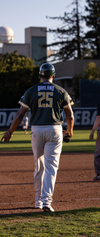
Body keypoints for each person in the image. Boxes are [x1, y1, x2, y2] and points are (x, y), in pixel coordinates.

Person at [1, 63, 74, 212]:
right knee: (51, 167)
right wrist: (70, 130)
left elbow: (20, 114)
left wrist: (10, 132)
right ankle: (47, 202)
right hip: (54, 130)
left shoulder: (31, 91)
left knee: (38, 166)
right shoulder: (61, 91)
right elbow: (70, 114)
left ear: (40, 75)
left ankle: (37, 202)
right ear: (53, 76)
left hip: (37, 129)